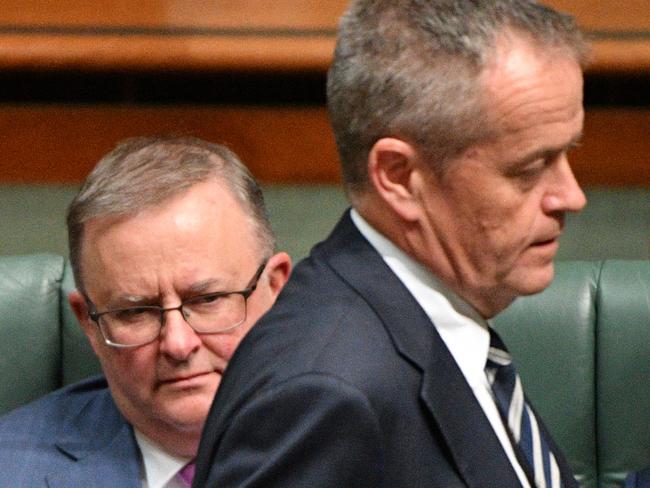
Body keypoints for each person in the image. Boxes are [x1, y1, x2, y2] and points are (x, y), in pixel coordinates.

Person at [194, 1, 589, 487]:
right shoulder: (324, 392)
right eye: (529, 169)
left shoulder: (438, 330)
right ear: (399, 178)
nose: (571, 196)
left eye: (568, 154)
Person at [0, 136, 291, 487]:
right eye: (136, 312)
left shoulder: (366, 449)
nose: (178, 345)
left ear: (276, 289)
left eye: (207, 300)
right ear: (88, 324)